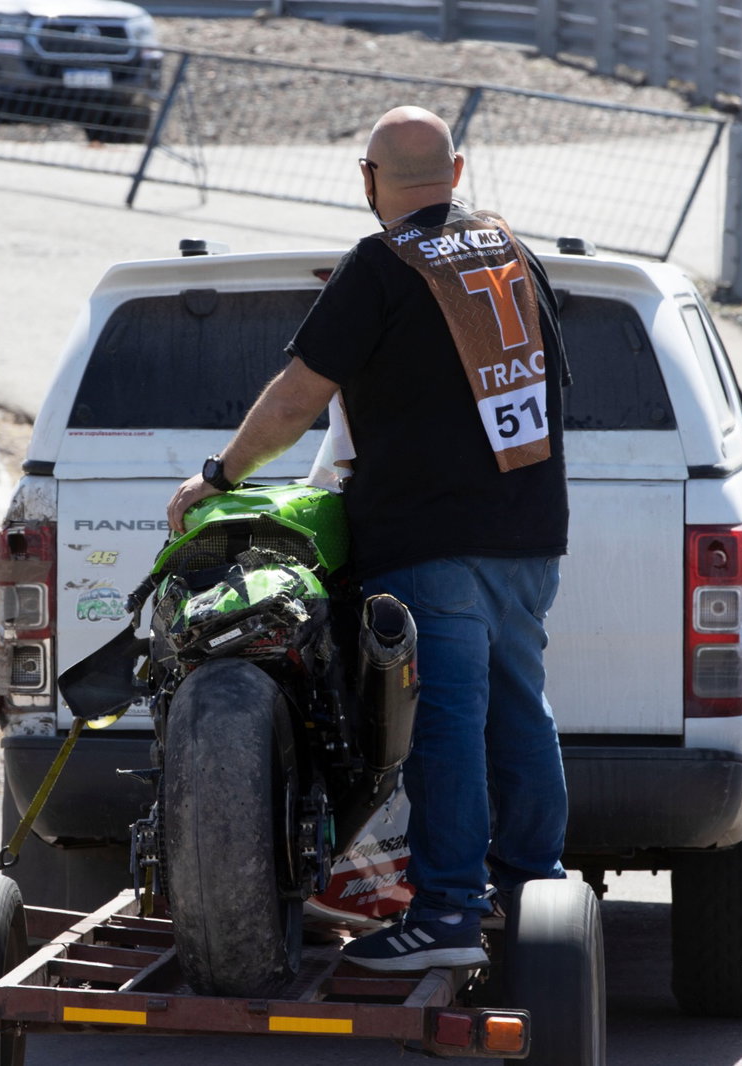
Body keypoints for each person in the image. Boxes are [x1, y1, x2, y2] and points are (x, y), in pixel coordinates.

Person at [166, 105, 570, 973]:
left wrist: (221, 474)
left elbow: (296, 398)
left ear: (368, 179)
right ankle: (535, 892)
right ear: (456, 174)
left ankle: (451, 914)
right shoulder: (512, 253)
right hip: (529, 532)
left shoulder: (383, 264)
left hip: (431, 536)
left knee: (449, 723)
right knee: (520, 708)